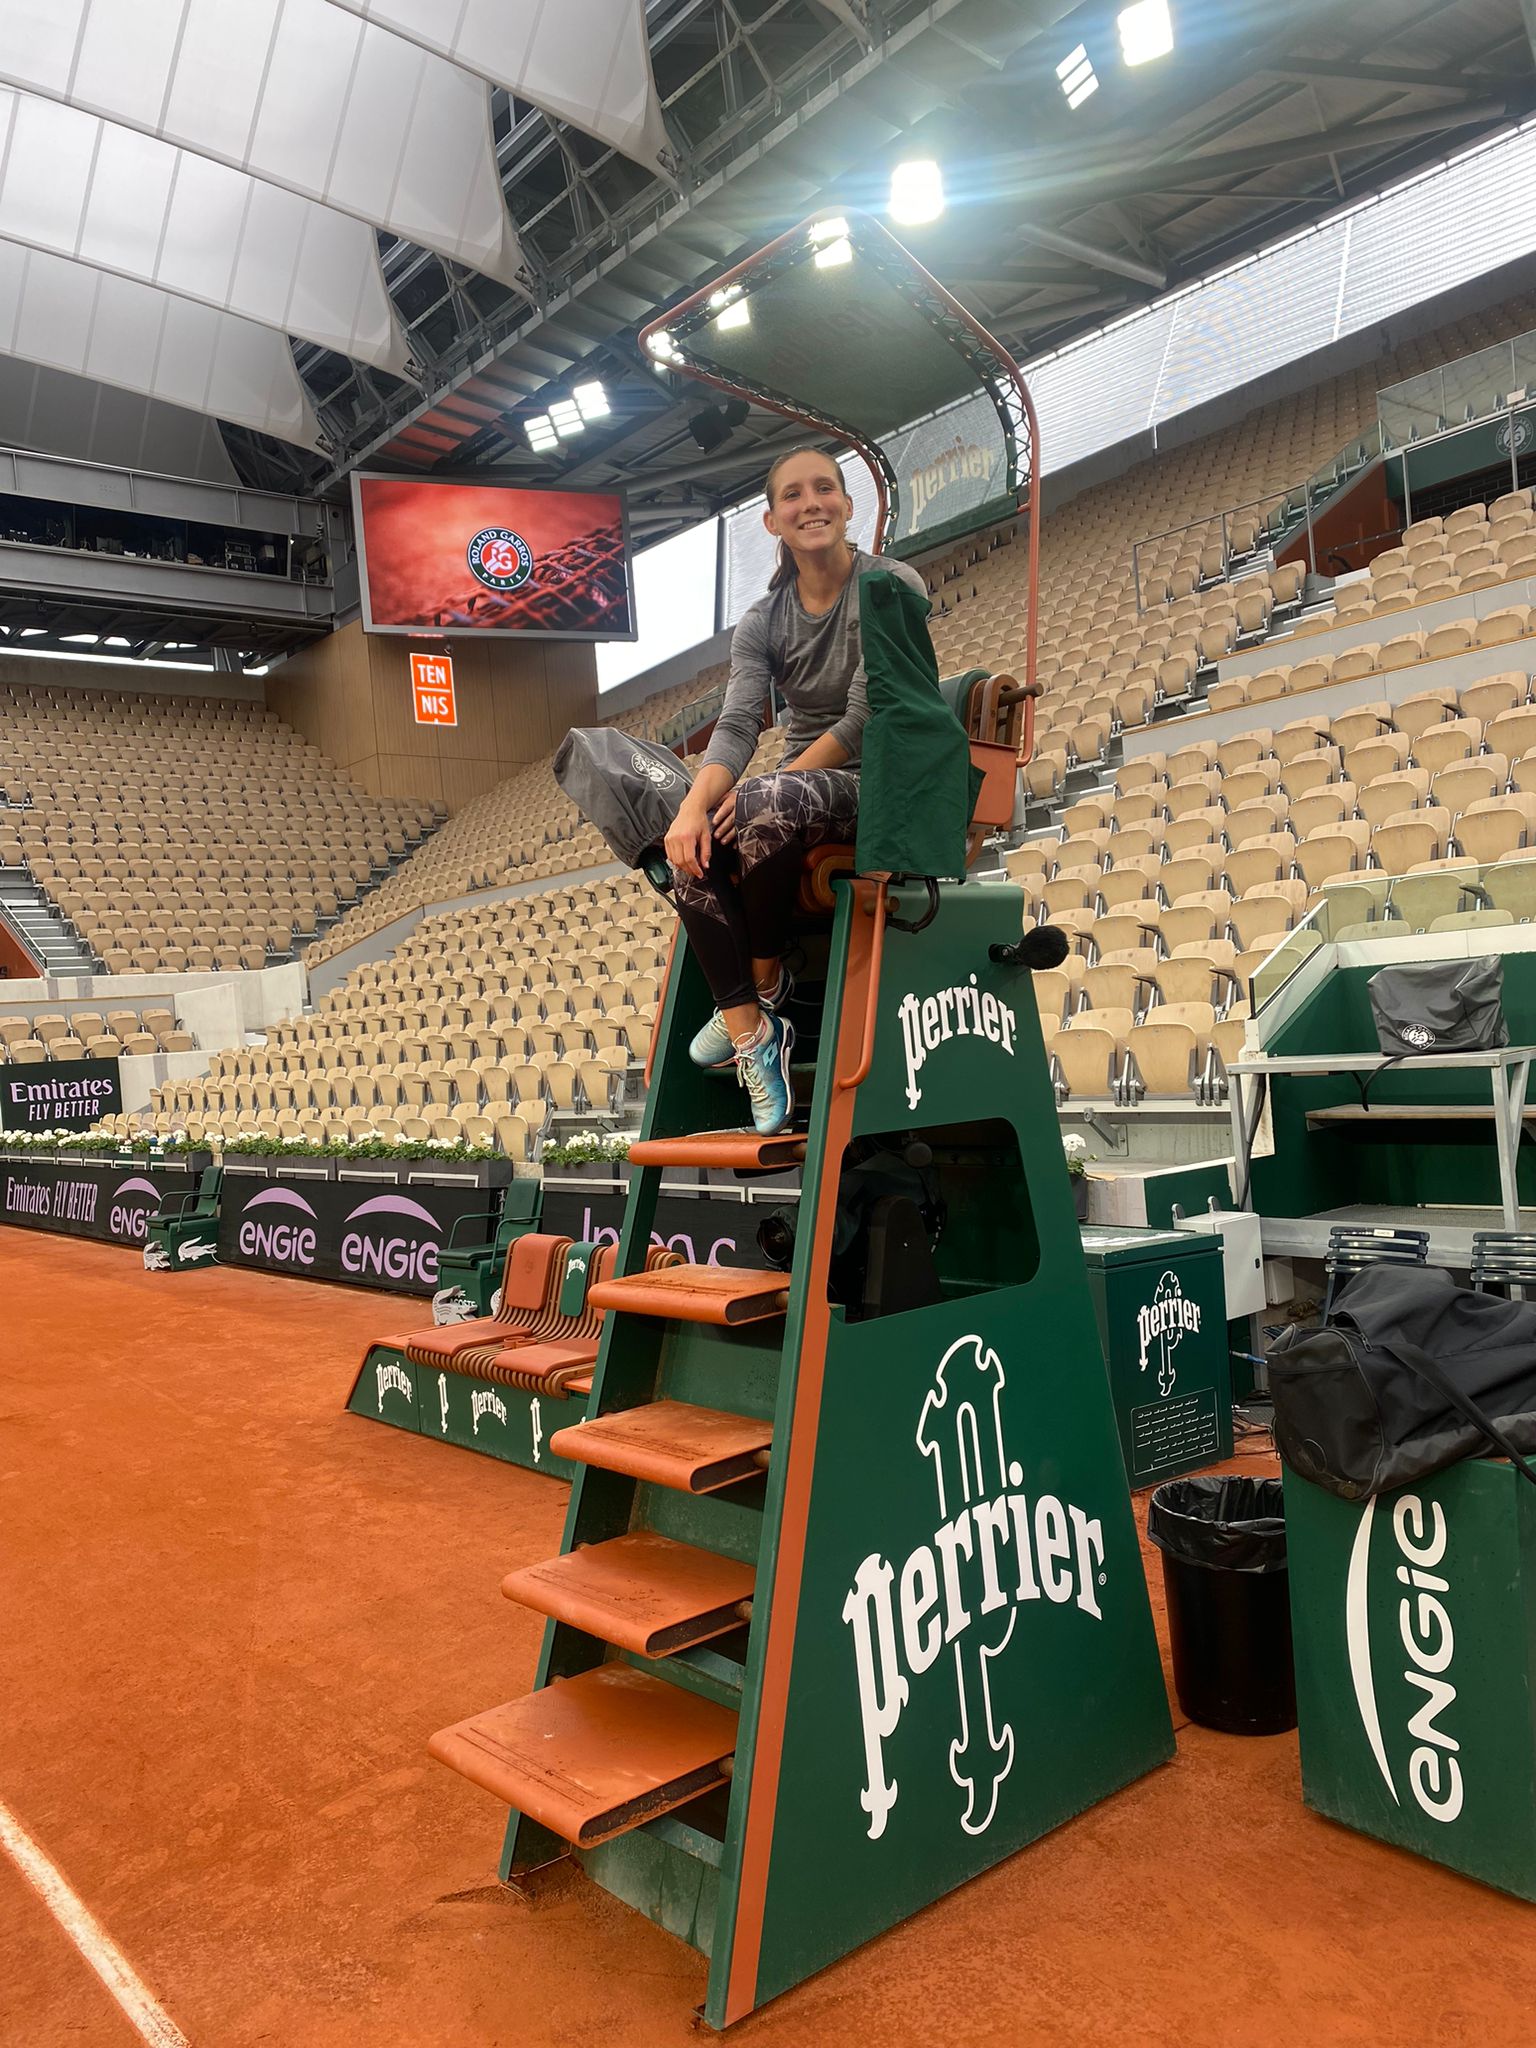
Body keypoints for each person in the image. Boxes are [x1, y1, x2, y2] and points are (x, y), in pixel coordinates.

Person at [665, 448, 930, 1136]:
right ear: (772, 520)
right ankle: (753, 1030)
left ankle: (764, 985)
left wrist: (773, 784)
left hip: (881, 783)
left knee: (762, 804)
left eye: (824, 489)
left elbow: (867, 716)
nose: (810, 502)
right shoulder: (762, 621)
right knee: (683, 844)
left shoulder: (893, 585)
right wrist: (694, 806)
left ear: (846, 505)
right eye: (793, 495)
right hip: (798, 792)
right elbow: (734, 725)